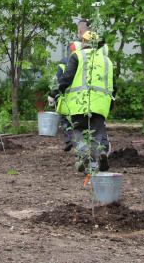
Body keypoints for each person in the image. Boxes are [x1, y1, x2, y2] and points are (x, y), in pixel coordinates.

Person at [53, 28, 114, 173]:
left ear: (84, 42)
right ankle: (99, 155)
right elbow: (113, 85)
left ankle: (83, 152)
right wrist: (111, 103)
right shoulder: (107, 61)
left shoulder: (77, 56)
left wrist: (54, 93)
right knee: (97, 133)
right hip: (100, 105)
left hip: (78, 104)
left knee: (78, 130)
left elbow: (66, 78)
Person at [48, 19, 88, 152]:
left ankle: (69, 140)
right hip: (83, 99)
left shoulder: (66, 61)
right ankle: (85, 146)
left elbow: (59, 78)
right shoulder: (86, 60)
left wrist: (53, 93)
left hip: (66, 97)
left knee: (65, 120)